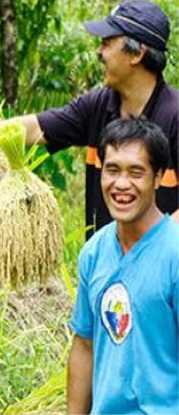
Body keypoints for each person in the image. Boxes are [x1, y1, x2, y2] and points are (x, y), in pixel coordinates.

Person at [0, 0, 179, 234]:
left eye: (106, 43)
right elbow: (35, 128)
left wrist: (155, 252)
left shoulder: (174, 115)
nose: (98, 52)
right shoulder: (98, 105)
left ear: (136, 54)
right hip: (107, 263)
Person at [66, 117, 179, 414]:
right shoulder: (93, 253)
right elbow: (84, 345)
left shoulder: (175, 253)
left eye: (136, 172)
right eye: (112, 170)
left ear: (158, 177)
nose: (121, 184)